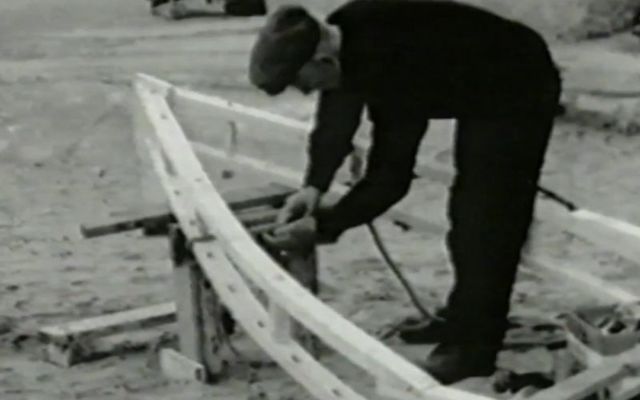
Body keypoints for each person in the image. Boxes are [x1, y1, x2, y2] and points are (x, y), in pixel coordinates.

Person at [249, 0, 561, 384]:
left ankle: (473, 348)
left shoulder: (394, 65)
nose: (305, 92)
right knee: (468, 216)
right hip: (470, 73)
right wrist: (313, 186)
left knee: (484, 217)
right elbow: (335, 121)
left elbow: (390, 177)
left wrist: (327, 225)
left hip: (516, 81)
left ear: (321, 59)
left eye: (302, 82)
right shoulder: (340, 35)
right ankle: (462, 316)